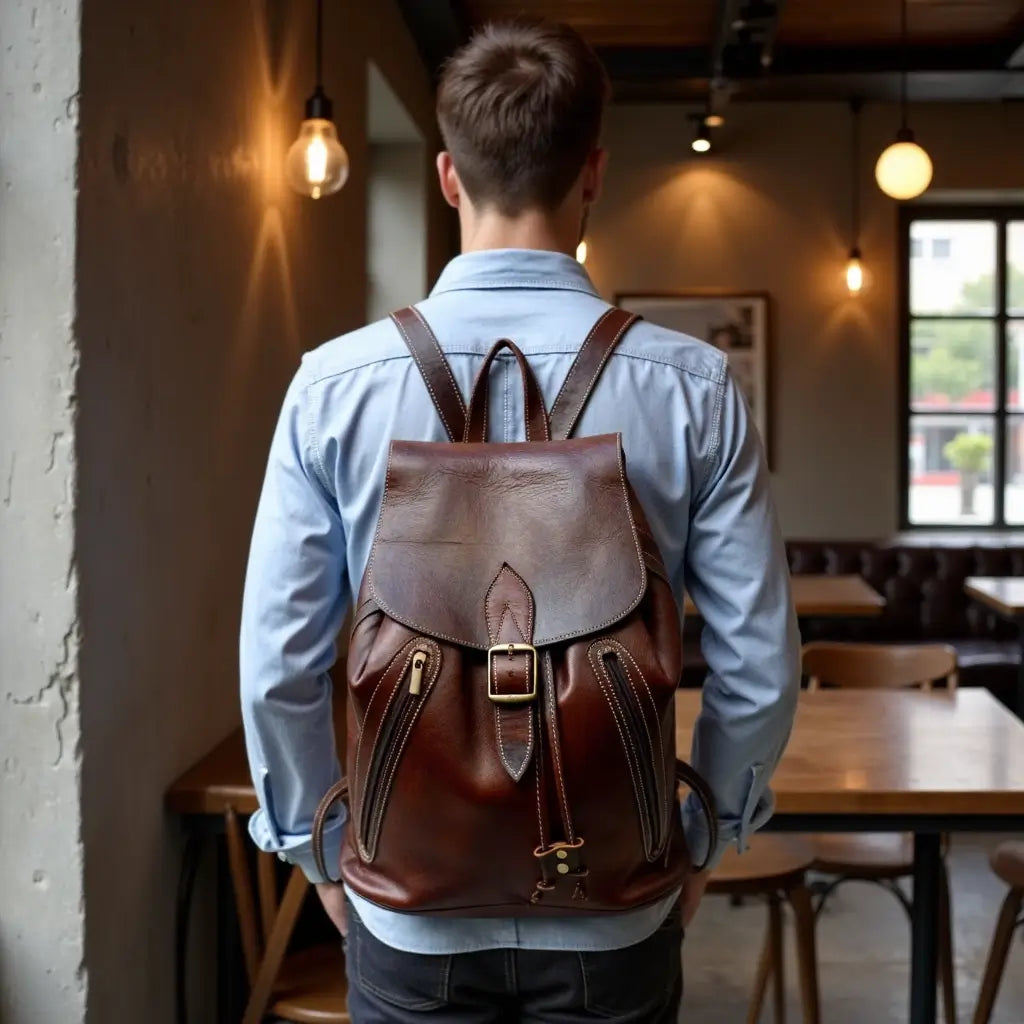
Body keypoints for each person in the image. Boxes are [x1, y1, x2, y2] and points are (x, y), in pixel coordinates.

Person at [240, 19, 799, 1022]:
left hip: (408, 906)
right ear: (593, 173)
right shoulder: (693, 386)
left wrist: (314, 848)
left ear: (449, 177)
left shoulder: (331, 387)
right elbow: (757, 665)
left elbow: (279, 663)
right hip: (613, 903)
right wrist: (701, 838)